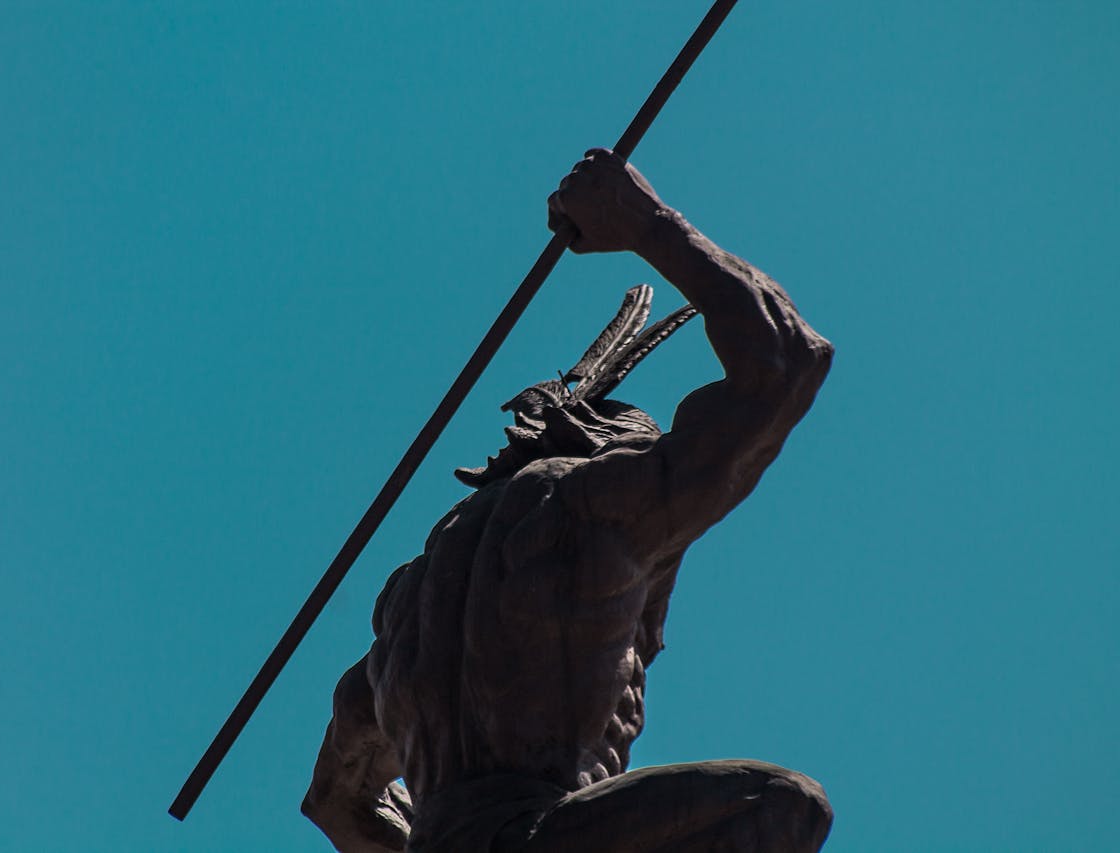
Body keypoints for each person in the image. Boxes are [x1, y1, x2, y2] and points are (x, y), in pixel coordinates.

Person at [302, 150, 835, 853]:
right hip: (540, 830)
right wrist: (645, 220)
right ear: (613, 447)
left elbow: (335, 802)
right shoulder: (595, 510)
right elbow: (785, 360)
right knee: (784, 805)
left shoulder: (406, 605)